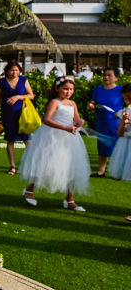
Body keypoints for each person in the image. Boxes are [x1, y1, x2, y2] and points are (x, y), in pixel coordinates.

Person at [18, 77, 89, 211]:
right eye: (65, 89)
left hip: (70, 139)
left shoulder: (72, 103)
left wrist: (79, 122)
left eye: (71, 89)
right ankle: (29, 190)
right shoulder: (54, 102)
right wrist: (65, 128)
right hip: (52, 137)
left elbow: (76, 119)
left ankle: (69, 198)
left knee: (72, 167)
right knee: (44, 165)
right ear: (57, 89)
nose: (68, 92)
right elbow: (47, 120)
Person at [0, 61, 34, 175]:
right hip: (8, 114)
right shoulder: (1, 82)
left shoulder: (23, 80)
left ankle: (31, 165)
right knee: (10, 140)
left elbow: (31, 95)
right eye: (12, 70)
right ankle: (13, 166)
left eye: (16, 70)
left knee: (27, 140)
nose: (14, 72)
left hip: (22, 115)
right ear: (7, 71)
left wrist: (18, 97)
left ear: (20, 70)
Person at [88, 67, 124, 177]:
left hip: (116, 122)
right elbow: (92, 102)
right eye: (104, 75)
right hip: (101, 121)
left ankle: (118, 171)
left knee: (117, 146)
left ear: (116, 78)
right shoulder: (98, 90)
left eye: (109, 75)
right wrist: (91, 105)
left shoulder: (121, 90)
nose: (105, 77)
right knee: (102, 144)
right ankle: (101, 170)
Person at [106, 84, 131, 182]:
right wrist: (124, 122)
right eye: (125, 99)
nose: (128, 102)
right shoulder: (124, 111)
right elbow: (120, 133)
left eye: (130, 98)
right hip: (125, 143)